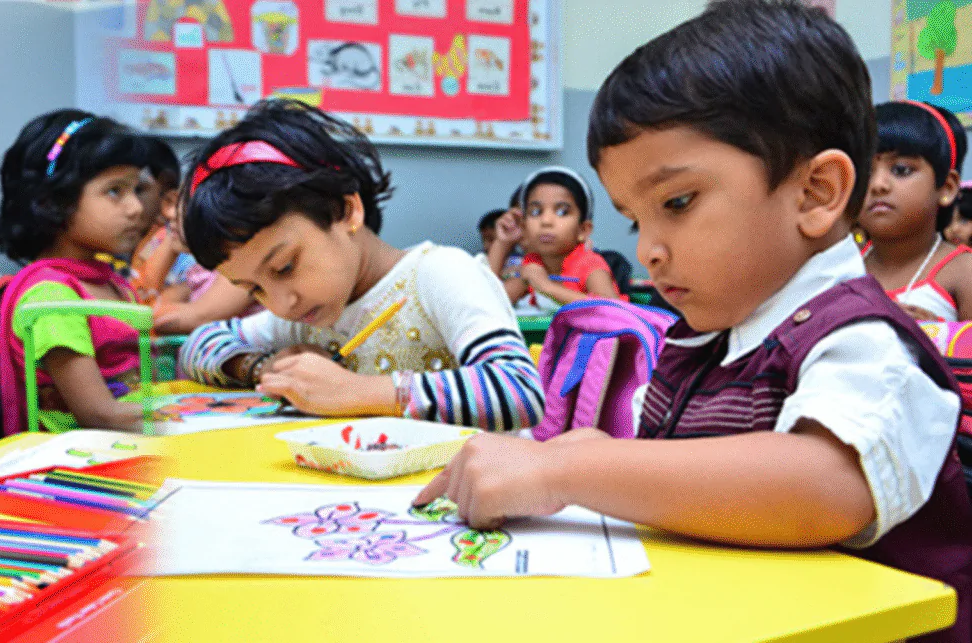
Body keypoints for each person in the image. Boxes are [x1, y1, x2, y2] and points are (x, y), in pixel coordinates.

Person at [415, 3, 971, 641]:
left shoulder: (863, 341)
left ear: (817, 192)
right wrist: (595, 452)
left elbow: (829, 486)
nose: (648, 249)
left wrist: (561, 473)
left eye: (677, 203)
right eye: (635, 219)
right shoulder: (713, 331)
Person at [177, 99, 543, 431]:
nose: (280, 303)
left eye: (285, 266)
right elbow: (197, 344)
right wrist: (262, 367)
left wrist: (359, 391)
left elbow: (519, 389)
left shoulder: (438, 275)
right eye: (254, 289)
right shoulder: (302, 318)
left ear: (347, 211)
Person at [0, 110, 153, 434]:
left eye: (136, 190)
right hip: (81, 467)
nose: (136, 208)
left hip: (128, 446)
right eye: (114, 191)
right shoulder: (53, 296)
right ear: (54, 202)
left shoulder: (113, 283)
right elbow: (99, 415)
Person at [860, 102, 971, 321]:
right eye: (865, 172)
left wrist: (939, 335)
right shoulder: (843, 265)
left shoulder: (963, 271)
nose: (877, 185)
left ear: (947, 188)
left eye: (901, 170)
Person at [502, 167, 624, 308]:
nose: (546, 221)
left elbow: (613, 310)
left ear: (583, 230)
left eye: (562, 212)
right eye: (536, 212)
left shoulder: (590, 265)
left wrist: (547, 287)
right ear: (524, 227)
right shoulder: (533, 265)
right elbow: (490, 304)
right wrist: (503, 244)